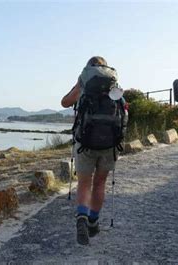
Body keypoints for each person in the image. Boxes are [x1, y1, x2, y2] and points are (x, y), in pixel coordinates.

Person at [61, 56, 127, 245]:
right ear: (106, 68)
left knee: (84, 183)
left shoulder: (84, 82)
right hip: (109, 145)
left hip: (85, 143)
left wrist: (77, 86)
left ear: (88, 68)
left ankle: (81, 217)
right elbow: (123, 112)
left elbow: (65, 103)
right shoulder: (114, 84)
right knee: (99, 183)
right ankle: (93, 221)